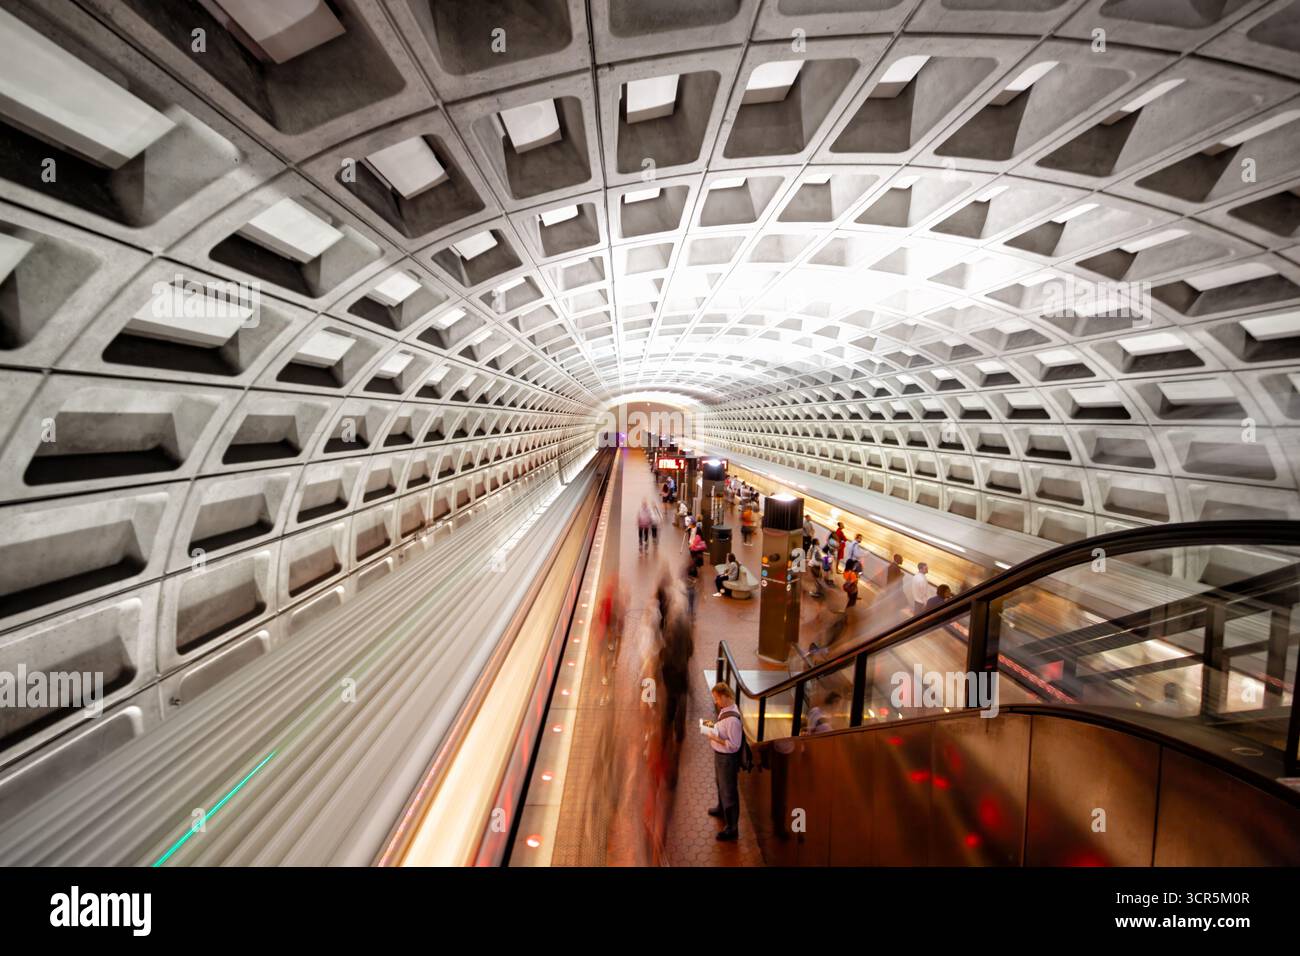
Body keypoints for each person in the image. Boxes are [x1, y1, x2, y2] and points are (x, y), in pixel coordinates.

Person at [704, 683, 743, 841]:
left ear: (725, 696)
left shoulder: (733, 720)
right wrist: (708, 726)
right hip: (720, 756)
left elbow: (734, 745)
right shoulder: (726, 711)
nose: (716, 702)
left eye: (717, 698)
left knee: (729, 790)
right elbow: (722, 728)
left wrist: (714, 737)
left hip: (727, 759)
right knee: (720, 784)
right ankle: (721, 808)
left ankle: (732, 828)